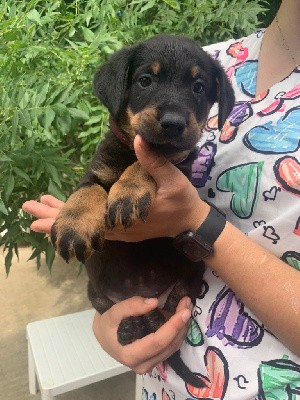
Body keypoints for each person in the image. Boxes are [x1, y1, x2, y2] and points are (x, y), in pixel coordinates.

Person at [23, 0, 300, 398]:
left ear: (215, 105)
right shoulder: (224, 58)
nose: (172, 114)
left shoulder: (215, 73)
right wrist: (105, 324)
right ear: (119, 90)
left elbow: (175, 188)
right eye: (148, 83)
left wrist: (185, 214)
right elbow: (95, 183)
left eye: (197, 90)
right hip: (158, 379)